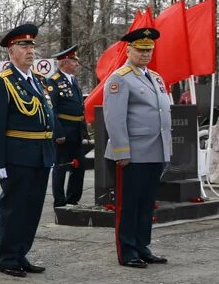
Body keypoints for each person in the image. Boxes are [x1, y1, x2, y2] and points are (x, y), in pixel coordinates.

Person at [0, 23, 58, 278]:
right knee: (14, 207)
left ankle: (21, 252)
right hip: (17, 155)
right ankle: (7, 257)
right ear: (10, 51)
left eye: (31, 46)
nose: (30, 51)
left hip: (39, 154)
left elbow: (46, 116)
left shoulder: (36, 81)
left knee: (32, 207)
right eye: (23, 46)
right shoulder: (2, 82)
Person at [101, 27, 172, 268]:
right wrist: (122, 152)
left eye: (149, 50)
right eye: (140, 50)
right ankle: (128, 250)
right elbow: (114, 118)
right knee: (129, 205)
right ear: (128, 50)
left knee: (146, 203)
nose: (145, 54)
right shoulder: (120, 78)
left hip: (154, 151)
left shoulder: (156, 78)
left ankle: (143, 245)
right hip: (132, 154)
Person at [48, 46, 87, 208]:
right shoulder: (53, 81)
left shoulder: (73, 80)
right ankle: (60, 201)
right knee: (61, 166)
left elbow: (80, 106)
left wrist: (84, 129)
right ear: (64, 63)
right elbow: (52, 109)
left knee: (80, 165)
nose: (77, 64)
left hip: (76, 129)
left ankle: (73, 199)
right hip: (63, 130)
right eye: (74, 61)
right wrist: (58, 132)